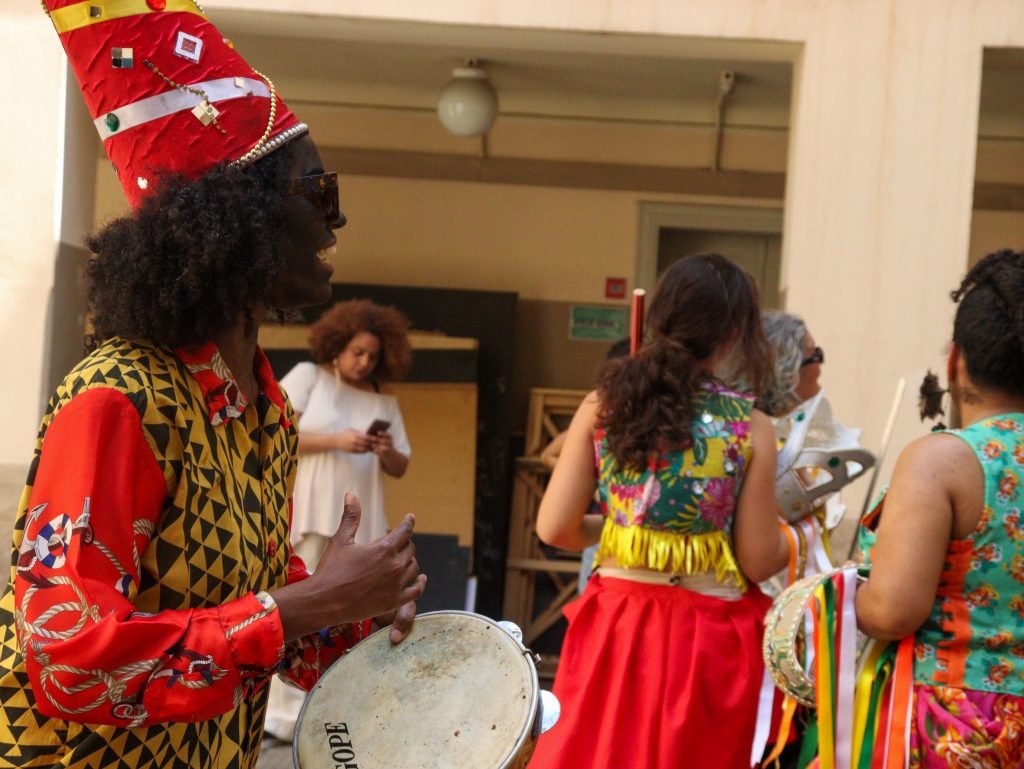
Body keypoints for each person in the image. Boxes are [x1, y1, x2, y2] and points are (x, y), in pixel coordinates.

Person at [0, 5, 425, 768]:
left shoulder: (261, 410)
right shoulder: (119, 401)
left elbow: (246, 611)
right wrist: (312, 602)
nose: (335, 223)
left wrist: (352, 609)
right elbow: (69, 661)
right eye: (317, 193)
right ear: (241, 221)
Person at [529, 254, 789, 769]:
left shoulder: (603, 405)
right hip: (709, 637)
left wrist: (627, 528)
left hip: (618, 626)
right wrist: (797, 534)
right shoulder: (750, 425)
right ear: (735, 332)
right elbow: (758, 560)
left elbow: (555, 528)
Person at [856, 248, 1024, 766]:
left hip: (957, 727)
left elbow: (893, 609)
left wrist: (835, 591)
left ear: (955, 360)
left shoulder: (943, 461)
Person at [264, 299, 412, 741]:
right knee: (304, 608)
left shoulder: (384, 400)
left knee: (357, 618)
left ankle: (336, 707)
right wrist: (336, 440)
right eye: (356, 352)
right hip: (313, 512)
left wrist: (385, 451)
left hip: (364, 517)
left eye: (372, 355)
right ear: (336, 346)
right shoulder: (311, 378)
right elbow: (274, 426)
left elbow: (402, 464)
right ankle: (282, 716)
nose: (364, 361)